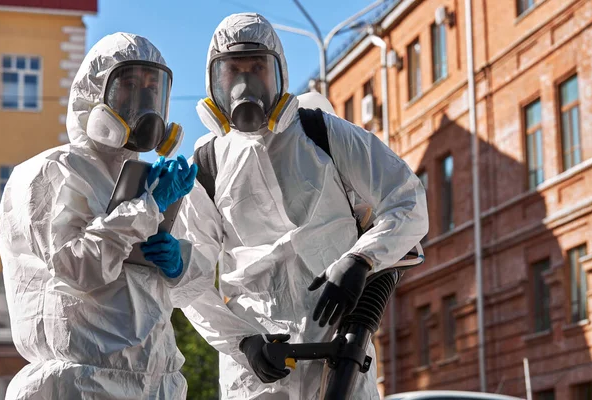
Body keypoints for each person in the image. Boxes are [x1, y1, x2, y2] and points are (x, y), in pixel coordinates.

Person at [178, 13, 428, 400]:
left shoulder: (324, 133)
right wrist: (242, 342)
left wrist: (361, 261)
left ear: (278, 72)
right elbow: (189, 281)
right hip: (257, 373)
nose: (246, 84)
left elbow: (408, 201)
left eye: (258, 68)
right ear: (216, 81)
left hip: (340, 352)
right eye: (233, 71)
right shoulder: (208, 164)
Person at [0, 32, 213, 399]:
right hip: (79, 386)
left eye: (152, 90)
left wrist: (179, 263)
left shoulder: (147, 181)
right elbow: (75, 268)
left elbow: (190, 289)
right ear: (95, 93)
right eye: (129, 86)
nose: (143, 101)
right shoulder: (50, 172)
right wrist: (145, 209)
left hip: (157, 384)